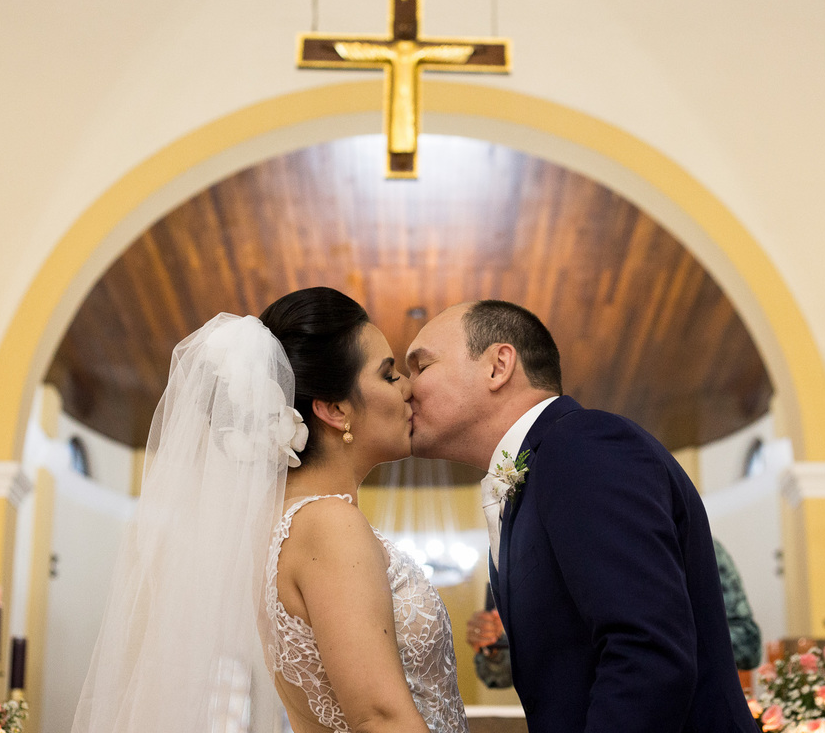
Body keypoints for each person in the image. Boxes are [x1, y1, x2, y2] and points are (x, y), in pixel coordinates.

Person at [73, 288, 467, 733]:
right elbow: (380, 718)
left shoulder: (284, 525)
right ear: (335, 410)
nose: (408, 388)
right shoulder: (329, 524)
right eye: (389, 375)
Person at [406, 300, 759, 733]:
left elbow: (648, 654)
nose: (405, 389)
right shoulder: (535, 476)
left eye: (420, 367)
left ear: (498, 366)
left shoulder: (584, 446)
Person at [466, 539, 764, 689]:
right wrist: (495, 646)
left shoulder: (689, 544)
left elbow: (748, 645)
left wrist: (648, 637)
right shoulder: (542, 558)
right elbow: (503, 674)